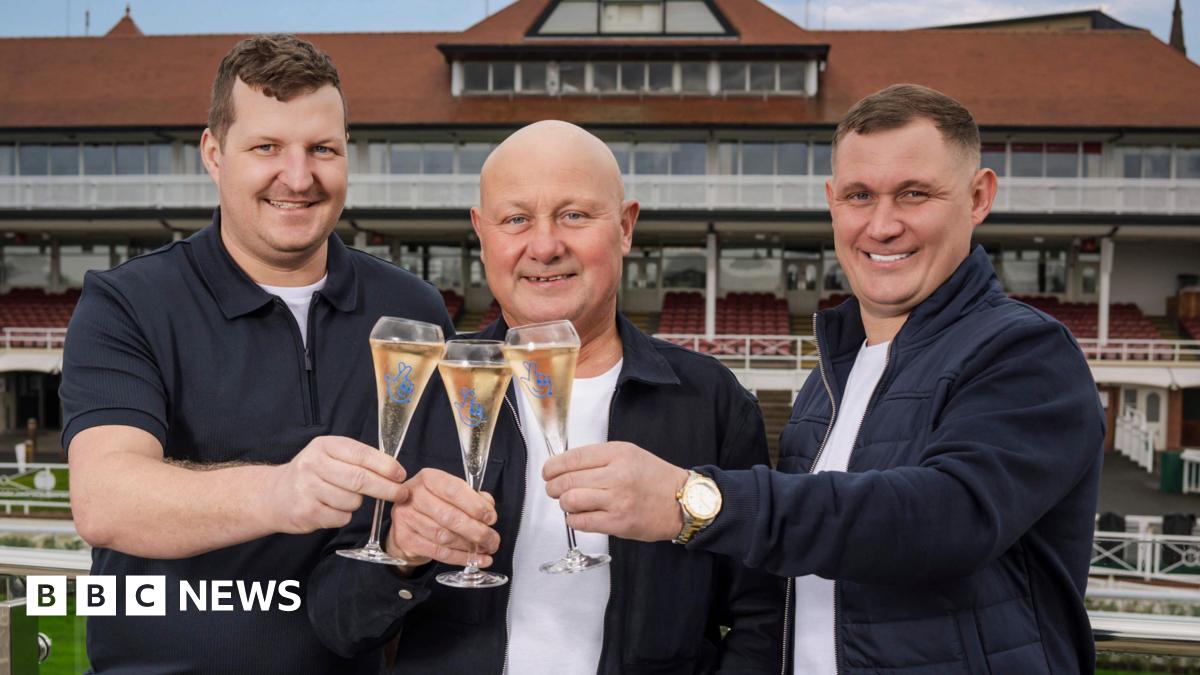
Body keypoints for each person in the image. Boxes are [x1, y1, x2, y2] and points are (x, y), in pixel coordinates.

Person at [543, 84, 1105, 673]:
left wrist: (694, 503)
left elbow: (947, 518)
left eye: (914, 194)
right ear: (833, 202)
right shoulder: (830, 377)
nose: (882, 226)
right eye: (860, 196)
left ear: (978, 196)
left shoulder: (1028, 351)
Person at [308, 120, 784, 674]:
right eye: (515, 220)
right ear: (482, 233)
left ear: (626, 228)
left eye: (574, 215)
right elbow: (335, 624)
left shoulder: (711, 401)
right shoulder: (421, 394)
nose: (545, 246)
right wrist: (398, 553)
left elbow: (762, 616)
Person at [60, 34, 452, 672]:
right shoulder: (126, 301)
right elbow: (105, 498)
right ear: (214, 154)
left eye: (322, 149)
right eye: (266, 147)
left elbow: (413, 520)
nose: (297, 178)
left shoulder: (415, 310)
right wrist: (279, 492)